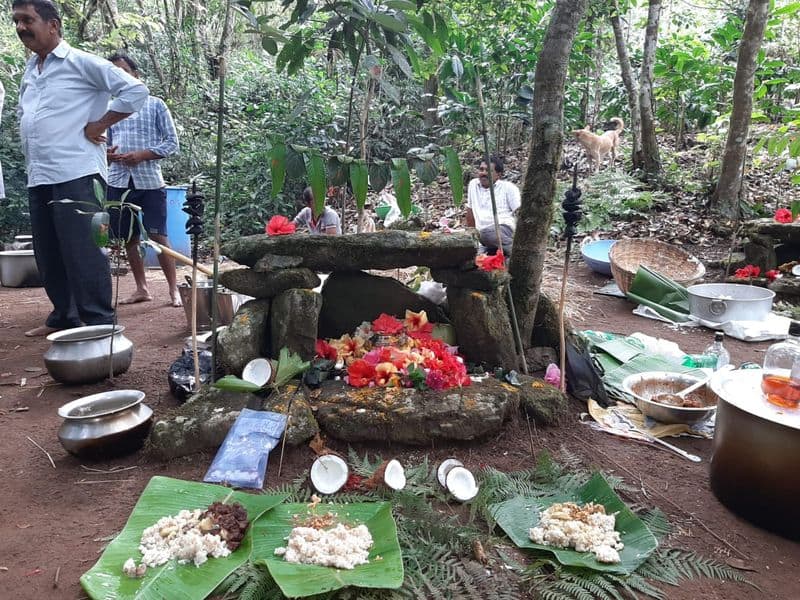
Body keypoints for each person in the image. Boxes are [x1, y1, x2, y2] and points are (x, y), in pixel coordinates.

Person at [13, 0, 148, 337]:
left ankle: (100, 322)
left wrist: (100, 124)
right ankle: (65, 316)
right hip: (40, 173)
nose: (20, 28)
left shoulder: (82, 62)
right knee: (49, 251)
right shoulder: (32, 69)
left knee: (85, 250)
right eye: (16, 21)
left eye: (27, 20)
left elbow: (135, 90)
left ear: (53, 25)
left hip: (78, 173)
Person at [105, 53, 181, 307]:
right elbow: (98, 144)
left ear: (136, 75)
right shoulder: (109, 108)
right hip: (117, 180)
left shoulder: (155, 104)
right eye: (114, 72)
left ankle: (174, 290)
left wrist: (141, 155)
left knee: (159, 235)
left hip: (149, 180)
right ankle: (142, 288)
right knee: (129, 238)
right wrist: (108, 155)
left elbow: (172, 143)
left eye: (124, 70)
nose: (120, 76)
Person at [465, 156, 521, 255]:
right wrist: (471, 235)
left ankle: (518, 254)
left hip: (503, 228)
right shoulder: (473, 185)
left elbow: (519, 212)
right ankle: (494, 251)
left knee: (487, 234)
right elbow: (470, 211)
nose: (484, 173)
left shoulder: (508, 188)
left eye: (488, 171)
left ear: (498, 175)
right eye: (481, 169)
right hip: (482, 236)